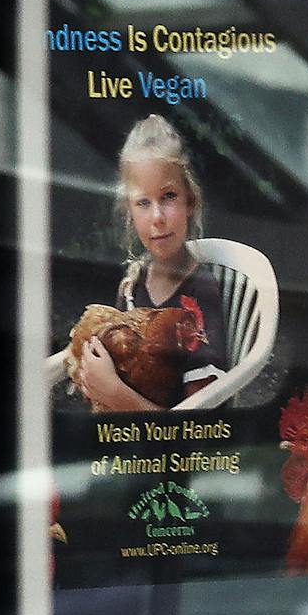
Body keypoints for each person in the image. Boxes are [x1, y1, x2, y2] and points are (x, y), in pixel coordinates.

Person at [70, 114, 228, 411]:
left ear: (189, 201)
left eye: (168, 196)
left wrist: (115, 393)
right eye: (143, 202)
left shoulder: (201, 292)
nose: (157, 217)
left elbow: (195, 427)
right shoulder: (132, 283)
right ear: (129, 211)